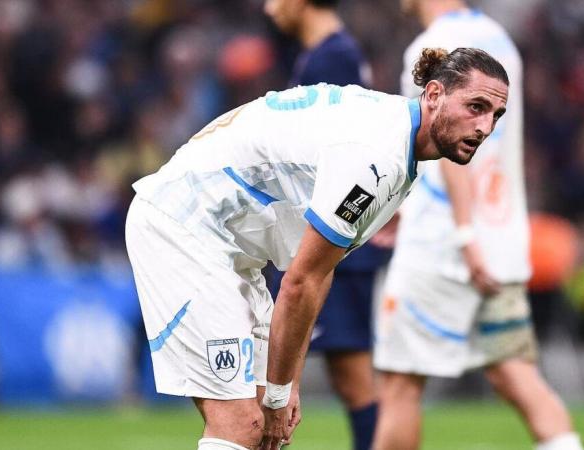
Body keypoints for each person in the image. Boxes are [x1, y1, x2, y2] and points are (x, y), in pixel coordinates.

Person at [125, 47, 509, 450]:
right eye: (476, 107)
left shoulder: (396, 143)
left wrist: (284, 386)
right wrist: (277, 393)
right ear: (433, 94)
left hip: (229, 248)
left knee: (258, 430)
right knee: (239, 422)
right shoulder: (378, 158)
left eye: (495, 116)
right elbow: (300, 282)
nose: (485, 127)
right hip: (182, 226)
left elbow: (318, 272)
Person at [372, 2, 584, 450]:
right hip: (502, 238)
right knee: (516, 375)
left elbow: (448, 146)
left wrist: (465, 235)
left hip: (445, 244)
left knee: (400, 385)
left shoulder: (432, 50)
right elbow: (493, 143)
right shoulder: (501, 41)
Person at [263, 1, 387, 448]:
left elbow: (335, 150)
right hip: (334, 236)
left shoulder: (331, 57)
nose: (268, 7)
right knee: (351, 378)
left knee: (273, 370)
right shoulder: (334, 52)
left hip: (327, 241)